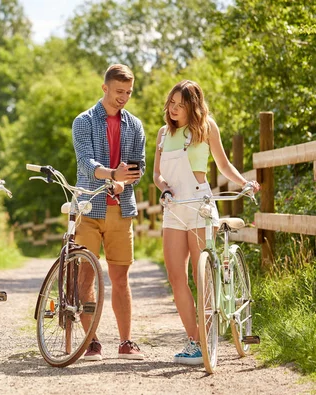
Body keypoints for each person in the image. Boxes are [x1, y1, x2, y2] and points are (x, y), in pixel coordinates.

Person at [153, 80, 260, 365]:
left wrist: (244, 182)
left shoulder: (206, 128)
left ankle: (209, 335)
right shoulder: (163, 134)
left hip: (200, 205)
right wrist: (163, 187)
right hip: (174, 208)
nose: (174, 109)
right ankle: (196, 341)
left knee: (203, 277)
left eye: (180, 105)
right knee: (176, 276)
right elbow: (157, 175)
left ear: (193, 106)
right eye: (171, 103)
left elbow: (223, 164)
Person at [72, 64, 146, 361]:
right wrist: (111, 175)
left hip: (121, 209)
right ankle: (91, 342)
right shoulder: (84, 121)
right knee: (86, 276)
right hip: (90, 206)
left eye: (128, 92)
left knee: (120, 277)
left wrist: (124, 180)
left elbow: (137, 166)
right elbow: (86, 162)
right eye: (118, 92)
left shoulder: (135, 125)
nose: (123, 98)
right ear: (105, 88)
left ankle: (126, 342)